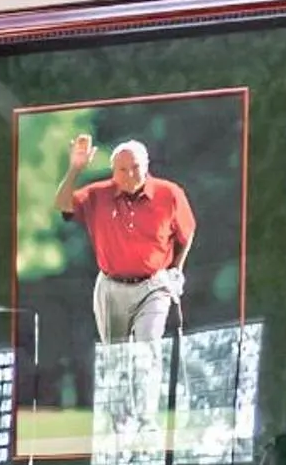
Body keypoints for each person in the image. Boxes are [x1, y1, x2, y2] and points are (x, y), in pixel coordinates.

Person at [53, 135, 199, 343]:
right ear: (114, 171)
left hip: (154, 286)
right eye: (122, 169)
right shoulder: (98, 194)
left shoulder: (170, 193)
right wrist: (75, 169)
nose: (129, 174)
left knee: (147, 350)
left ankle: (149, 376)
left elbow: (187, 232)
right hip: (111, 288)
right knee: (116, 360)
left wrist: (176, 269)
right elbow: (61, 205)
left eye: (135, 167)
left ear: (147, 166)